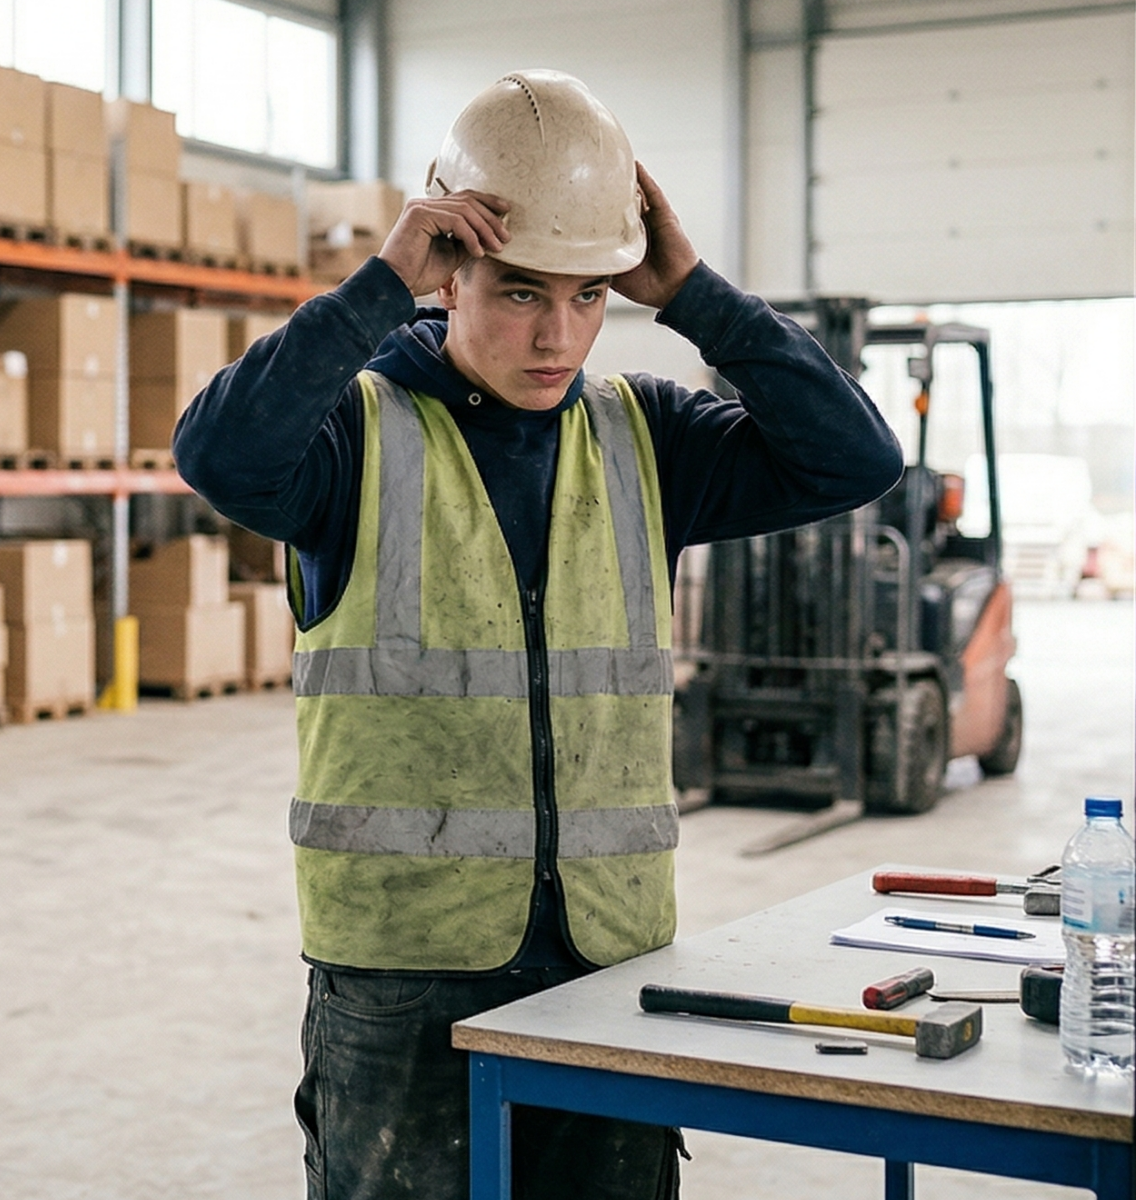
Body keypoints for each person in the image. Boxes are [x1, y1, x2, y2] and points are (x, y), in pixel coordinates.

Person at [173, 70, 905, 1199]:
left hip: (608, 957)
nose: (557, 333)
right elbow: (219, 453)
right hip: (403, 972)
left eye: (587, 295)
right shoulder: (352, 437)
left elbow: (856, 458)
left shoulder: (646, 435)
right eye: (519, 292)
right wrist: (374, 289)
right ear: (448, 270)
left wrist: (695, 294)